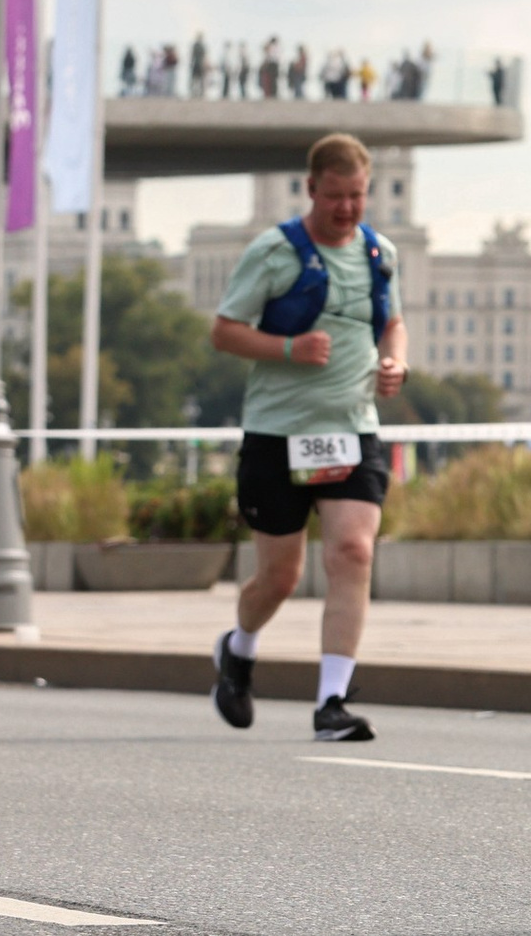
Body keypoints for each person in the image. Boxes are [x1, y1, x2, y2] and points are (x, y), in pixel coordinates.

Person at [204, 133, 408, 743]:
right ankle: (239, 649)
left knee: (353, 552)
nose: (346, 208)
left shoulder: (379, 253)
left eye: (357, 196)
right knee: (280, 577)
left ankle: (332, 703)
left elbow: (393, 324)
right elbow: (224, 331)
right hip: (279, 433)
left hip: (352, 430)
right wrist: (288, 348)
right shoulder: (274, 252)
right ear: (311, 188)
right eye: (335, 196)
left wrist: (395, 363)